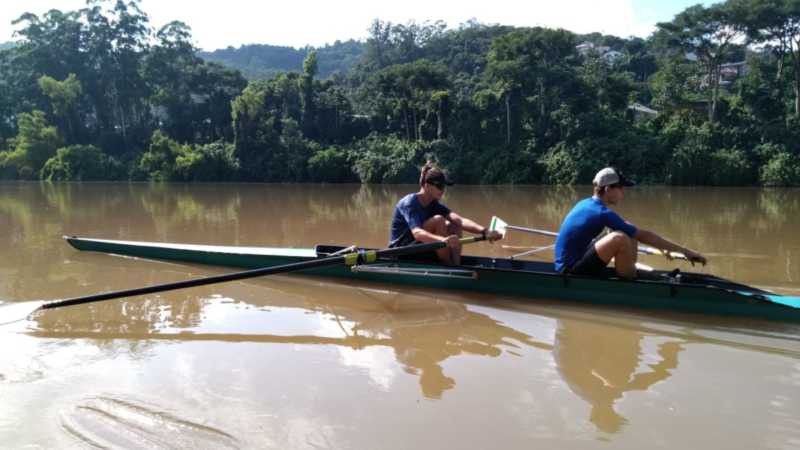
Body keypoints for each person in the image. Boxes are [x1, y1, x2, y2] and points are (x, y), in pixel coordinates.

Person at [554, 167, 706, 279]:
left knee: (627, 229)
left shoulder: (586, 203)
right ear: (608, 189)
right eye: (621, 188)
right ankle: (630, 279)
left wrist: (664, 248)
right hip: (569, 271)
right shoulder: (601, 212)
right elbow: (644, 236)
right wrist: (685, 251)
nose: (623, 193)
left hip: (575, 259)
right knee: (620, 237)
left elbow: (633, 232)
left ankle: (630, 272)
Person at [389, 162, 502, 265]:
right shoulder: (410, 203)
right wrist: (442, 240)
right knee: (439, 220)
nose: (443, 190)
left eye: (444, 186)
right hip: (401, 252)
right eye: (439, 186)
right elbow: (417, 233)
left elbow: (460, 220)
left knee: (454, 224)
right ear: (427, 185)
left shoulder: (434, 204)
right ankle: (448, 266)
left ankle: (456, 266)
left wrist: (486, 231)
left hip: (420, 247)